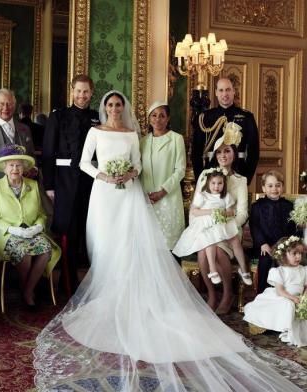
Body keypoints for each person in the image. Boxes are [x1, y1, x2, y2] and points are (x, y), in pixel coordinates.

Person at [33, 90, 302, 392]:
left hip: (129, 195)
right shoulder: (95, 131)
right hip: (104, 194)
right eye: (109, 104)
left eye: (118, 104)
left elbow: (137, 164)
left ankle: (131, 291)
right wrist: (106, 176)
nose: (114, 108)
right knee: (102, 243)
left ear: (124, 107)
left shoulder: (133, 134)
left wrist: (130, 174)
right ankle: (106, 290)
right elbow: (84, 162)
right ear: (104, 107)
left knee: (129, 242)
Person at [42, 74, 100, 292]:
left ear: (91, 92)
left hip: (91, 181)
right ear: (72, 91)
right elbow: (48, 152)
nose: (82, 95)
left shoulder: (97, 117)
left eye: (86, 91)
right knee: (69, 230)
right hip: (65, 182)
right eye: (78, 91)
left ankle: (92, 281)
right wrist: (49, 185)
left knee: (90, 229)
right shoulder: (58, 116)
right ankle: (68, 282)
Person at [0, 144, 60, 307]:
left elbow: (41, 213)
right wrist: (12, 229)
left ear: (24, 167)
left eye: (18, 165)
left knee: (46, 250)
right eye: (11, 165)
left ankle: (26, 290)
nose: (15, 169)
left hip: (32, 232)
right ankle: (27, 292)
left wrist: (38, 227)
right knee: (23, 253)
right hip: (6, 233)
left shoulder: (32, 185)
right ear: (5, 168)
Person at [194, 121, 249, 314]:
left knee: (217, 250)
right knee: (203, 251)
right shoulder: (206, 176)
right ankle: (211, 293)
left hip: (230, 230)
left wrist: (229, 228)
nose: (223, 156)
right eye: (219, 152)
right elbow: (197, 205)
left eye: (227, 151)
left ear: (233, 153)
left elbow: (242, 213)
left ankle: (227, 294)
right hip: (208, 226)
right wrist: (202, 226)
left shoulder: (240, 181)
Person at [174, 167, 252, 286]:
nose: (216, 186)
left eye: (220, 183)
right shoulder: (203, 195)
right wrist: (211, 212)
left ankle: (243, 269)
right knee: (209, 241)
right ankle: (213, 270)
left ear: (224, 184)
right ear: (208, 183)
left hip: (222, 222)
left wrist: (222, 213)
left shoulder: (225, 196)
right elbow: (195, 211)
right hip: (207, 224)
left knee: (235, 240)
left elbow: (231, 212)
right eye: (213, 183)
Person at [192, 77, 259, 184]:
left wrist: (246, 178)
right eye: (221, 90)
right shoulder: (205, 117)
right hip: (210, 172)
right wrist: (200, 178)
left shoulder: (246, 117)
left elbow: (254, 152)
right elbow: (196, 152)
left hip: (238, 171)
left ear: (233, 92)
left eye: (228, 90)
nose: (225, 94)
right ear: (216, 93)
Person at [244, 236, 307, 347]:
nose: (298, 257)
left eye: (300, 254)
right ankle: (286, 330)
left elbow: (306, 286)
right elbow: (280, 291)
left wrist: (304, 297)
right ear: (284, 255)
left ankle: (298, 330)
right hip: (284, 296)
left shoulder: (303, 270)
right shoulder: (279, 271)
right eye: (294, 254)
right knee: (289, 305)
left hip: (299, 297)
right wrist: (293, 298)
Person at [140, 101, 186, 250]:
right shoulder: (143, 141)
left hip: (169, 196)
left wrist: (162, 191)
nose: (157, 119)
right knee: (149, 244)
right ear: (149, 118)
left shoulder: (176, 139)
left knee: (169, 245)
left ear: (168, 118)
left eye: (162, 116)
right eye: (154, 115)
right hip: (147, 197)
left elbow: (180, 170)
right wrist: (143, 194)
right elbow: (139, 169)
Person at [250, 170, 298, 294]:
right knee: (266, 260)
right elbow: (254, 226)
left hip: (284, 244)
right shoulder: (257, 206)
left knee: (283, 260)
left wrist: (288, 244)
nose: (274, 189)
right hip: (264, 246)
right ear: (263, 188)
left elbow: (292, 227)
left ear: (282, 187)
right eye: (270, 186)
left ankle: (283, 294)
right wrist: (262, 243)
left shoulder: (288, 205)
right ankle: (262, 294)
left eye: (278, 185)